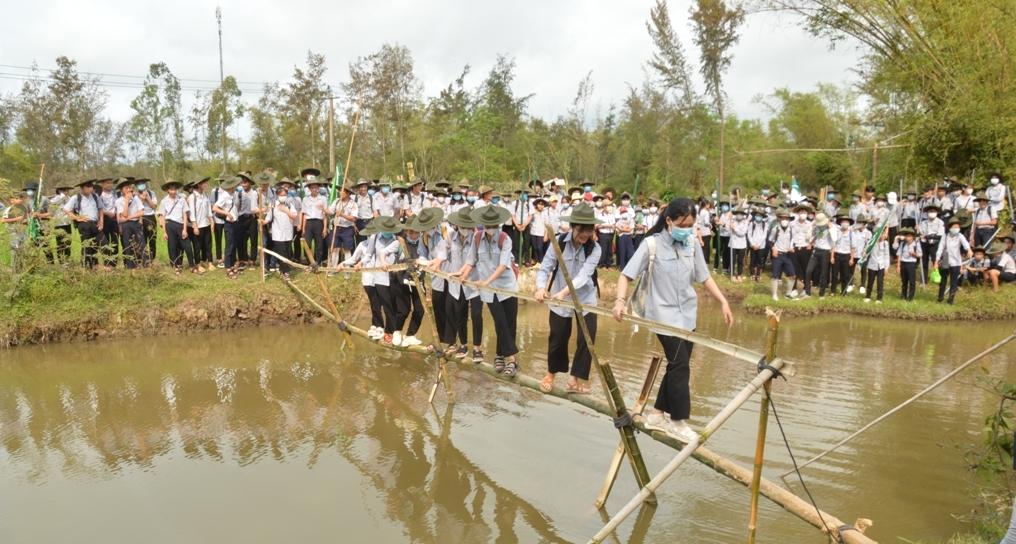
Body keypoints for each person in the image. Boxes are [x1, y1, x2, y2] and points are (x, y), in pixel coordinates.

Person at [613, 197, 734, 443]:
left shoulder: (692, 244)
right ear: (669, 221)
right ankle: (677, 421)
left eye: (691, 225)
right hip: (662, 316)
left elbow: (704, 276)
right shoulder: (651, 245)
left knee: (677, 363)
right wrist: (619, 301)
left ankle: (657, 414)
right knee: (681, 365)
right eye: (683, 224)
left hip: (688, 314)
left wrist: (723, 300)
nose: (687, 229)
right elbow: (626, 275)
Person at [535, 203, 602, 395]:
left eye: (589, 230)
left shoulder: (595, 249)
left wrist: (565, 292)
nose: (585, 235)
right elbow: (546, 267)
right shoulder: (558, 243)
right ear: (573, 226)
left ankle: (574, 380)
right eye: (582, 230)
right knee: (558, 336)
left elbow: (583, 276)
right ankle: (550, 374)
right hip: (558, 296)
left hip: (585, 298)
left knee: (587, 338)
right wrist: (540, 288)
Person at [463, 204, 520, 376]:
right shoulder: (477, 238)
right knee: (499, 321)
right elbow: (470, 260)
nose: (490, 228)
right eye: (487, 225)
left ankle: (500, 355)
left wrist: (487, 281)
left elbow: (503, 265)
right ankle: (512, 359)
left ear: (498, 224)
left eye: (493, 225)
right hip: (488, 289)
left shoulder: (505, 239)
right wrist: (462, 275)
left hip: (507, 286)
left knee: (509, 322)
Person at [434, 206, 480, 360]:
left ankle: (477, 347)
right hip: (455, 282)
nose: (465, 229)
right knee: (458, 313)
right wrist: (438, 261)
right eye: (462, 226)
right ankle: (462, 344)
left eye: (468, 226)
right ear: (457, 225)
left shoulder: (476, 238)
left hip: (473, 281)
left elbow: (475, 260)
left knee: (476, 314)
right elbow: (442, 251)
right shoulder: (451, 236)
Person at [363, 216, 403, 345]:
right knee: (384, 304)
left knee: (392, 305)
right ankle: (381, 328)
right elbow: (369, 254)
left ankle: (390, 331)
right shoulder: (374, 238)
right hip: (379, 277)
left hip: (392, 277)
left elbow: (400, 257)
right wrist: (360, 263)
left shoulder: (396, 240)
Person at [343, 221, 384, 339]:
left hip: (380, 278)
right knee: (374, 303)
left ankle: (377, 325)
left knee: (380, 303)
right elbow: (353, 259)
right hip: (368, 279)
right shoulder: (362, 245)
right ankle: (378, 326)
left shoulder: (380, 245)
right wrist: (343, 263)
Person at [156, 180, 197, 274]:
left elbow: (185, 215)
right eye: (171, 189)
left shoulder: (181, 199)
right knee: (172, 246)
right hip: (169, 225)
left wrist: (185, 229)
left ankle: (192, 265)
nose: (173, 191)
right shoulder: (163, 201)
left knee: (187, 246)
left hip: (180, 224)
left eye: (175, 189)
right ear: (168, 190)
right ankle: (175, 266)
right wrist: (164, 232)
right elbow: (162, 216)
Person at [63, 179, 104, 268]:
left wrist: (101, 221)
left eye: (91, 186)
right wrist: (77, 218)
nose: (90, 188)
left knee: (101, 243)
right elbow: (66, 209)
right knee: (86, 245)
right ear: (82, 188)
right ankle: (86, 266)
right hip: (84, 224)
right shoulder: (76, 197)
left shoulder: (95, 196)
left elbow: (101, 209)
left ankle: (95, 264)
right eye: (88, 186)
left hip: (95, 223)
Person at [934, 217, 973, 304]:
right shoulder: (945, 236)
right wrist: (936, 260)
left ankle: (950, 300)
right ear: (950, 227)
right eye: (954, 226)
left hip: (956, 262)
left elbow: (965, 244)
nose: (956, 228)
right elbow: (940, 248)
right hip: (945, 261)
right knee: (943, 280)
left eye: (958, 227)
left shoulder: (960, 236)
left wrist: (969, 250)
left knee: (953, 282)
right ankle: (940, 298)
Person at [266, 184, 298, 281]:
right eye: (281, 195)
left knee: (288, 253)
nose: (283, 196)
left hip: (288, 233)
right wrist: (263, 221)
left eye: (285, 195)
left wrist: (286, 211)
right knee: (282, 252)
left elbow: (294, 217)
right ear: (277, 195)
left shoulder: (289, 205)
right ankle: (286, 272)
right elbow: (268, 218)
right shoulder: (272, 205)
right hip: (277, 233)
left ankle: (282, 269)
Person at [212, 177, 241, 278]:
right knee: (230, 245)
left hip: (236, 222)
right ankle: (228, 267)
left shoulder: (235, 194)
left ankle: (233, 265)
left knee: (234, 244)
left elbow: (237, 206)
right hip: (229, 223)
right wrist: (226, 213)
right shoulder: (224, 196)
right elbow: (215, 208)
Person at [114, 178, 146, 269]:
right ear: (122, 190)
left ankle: (144, 264)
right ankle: (130, 266)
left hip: (135, 223)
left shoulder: (136, 198)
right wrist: (127, 201)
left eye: (129, 188)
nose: (128, 190)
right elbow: (124, 214)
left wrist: (130, 217)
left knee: (141, 243)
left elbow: (141, 212)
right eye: (126, 188)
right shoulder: (118, 201)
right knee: (127, 245)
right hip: (126, 226)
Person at [768, 209, 797, 301]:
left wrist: (792, 248)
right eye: (783, 218)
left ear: (789, 220)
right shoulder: (775, 229)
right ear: (780, 219)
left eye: (786, 218)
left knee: (792, 275)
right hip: (778, 255)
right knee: (775, 276)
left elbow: (793, 242)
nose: (784, 220)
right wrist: (773, 249)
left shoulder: (792, 230)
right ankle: (774, 294)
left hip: (787, 255)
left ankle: (788, 294)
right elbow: (769, 241)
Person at [188, 178, 215, 273]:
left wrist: (212, 221)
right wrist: (195, 226)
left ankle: (210, 262)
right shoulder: (192, 197)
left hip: (206, 224)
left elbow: (209, 210)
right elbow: (191, 213)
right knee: (197, 246)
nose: (206, 184)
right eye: (204, 183)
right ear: (199, 184)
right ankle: (198, 264)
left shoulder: (205, 195)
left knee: (208, 244)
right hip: (197, 225)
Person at [804, 212, 833, 298]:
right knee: (808, 271)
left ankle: (821, 294)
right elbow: (813, 237)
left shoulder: (831, 228)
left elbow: (835, 239)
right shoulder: (816, 227)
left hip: (825, 251)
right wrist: (810, 243)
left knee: (823, 273)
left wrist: (830, 228)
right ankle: (807, 292)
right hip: (816, 250)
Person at [327, 187, 358, 267]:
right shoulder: (337, 201)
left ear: (348, 193)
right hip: (336, 227)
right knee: (334, 249)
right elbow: (330, 212)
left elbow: (353, 218)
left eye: (342, 191)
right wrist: (323, 209)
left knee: (347, 250)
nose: (340, 192)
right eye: (340, 191)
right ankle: (333, 269)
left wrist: (342, 215)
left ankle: (347, 270)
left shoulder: (353, 204)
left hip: (347, 229)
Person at [301, 180, 328, 265]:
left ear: (318, 188)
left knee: (319, 244)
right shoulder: (305, 199)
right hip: (309, 223)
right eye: (312, 188)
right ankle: (310, 262)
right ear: (309, 189)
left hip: (319, 222)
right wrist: (303, 228)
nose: (314, 189)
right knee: (307, 243)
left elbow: (325, 214)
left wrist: (324, 228)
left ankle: (318, 262)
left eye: (316, 187)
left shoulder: (323, 199)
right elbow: (304, 214)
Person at [789, 203, 813, 296]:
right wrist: (790, 246)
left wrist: (810, 244)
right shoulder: (792, 224)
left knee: (806, 269)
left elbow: (812, 236)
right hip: (794, 248)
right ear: (798, 213)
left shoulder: (810, 224)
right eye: (801, 212)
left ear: (807, 214)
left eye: (805, 212)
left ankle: (806, 289)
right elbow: (790, 236)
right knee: (793, 269)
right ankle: (793, 289)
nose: (803, 214)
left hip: (805, 248)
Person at [918, 204, 945, 283]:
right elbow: (921, 233)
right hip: (925, 244)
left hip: (935, 244)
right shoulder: (923, 223)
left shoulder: (940, 222)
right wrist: (919, 231)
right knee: (924, 261)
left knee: (935, 260)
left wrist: (928, 237)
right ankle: (924, 279)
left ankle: (938, 277)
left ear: (937, 213)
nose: (932, 213)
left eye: (933, 211)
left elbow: (940, 235)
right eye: (930, 211)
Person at [830, 214, 856, 296]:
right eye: (843, 222)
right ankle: (833, 291)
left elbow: (853, 247)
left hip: (846, 255)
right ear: (840, 223)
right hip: (837, 254)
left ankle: (844, 291)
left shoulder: (852, 234)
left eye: (846, 222)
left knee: (845, 275)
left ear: (849, 224)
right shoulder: (837, 232)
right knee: (834, 274)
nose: (845, 223)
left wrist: (852, 259)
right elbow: (833, 245)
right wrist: (832, 256)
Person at [863, 226, 890, 303]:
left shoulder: (885, 243)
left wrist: (886, 267)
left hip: (881, 265)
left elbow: (886, 256)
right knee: (870, 281)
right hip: (872, 264)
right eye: (880, 234)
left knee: (880, 282)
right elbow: (866, 251)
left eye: (883, 234)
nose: (881, 235)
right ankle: (868, 296)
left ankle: (879, 298)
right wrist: (864, 253)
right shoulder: (871, 242)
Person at [135, 178, 158, 263]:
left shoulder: (152, 193)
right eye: (139, 184)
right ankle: (143, 259)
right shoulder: (135, 195)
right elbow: (136, 207)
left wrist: (147, 197)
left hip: (151, 217)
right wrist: (141, 199)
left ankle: (152, 258)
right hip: (140, 218)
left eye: (143, 183)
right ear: (136, 186)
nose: (141, 185)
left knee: (152, 239)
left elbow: (154, 206)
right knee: (141, 239)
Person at [894, 227, 921, 301]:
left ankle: (910, 297)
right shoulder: (903, 244)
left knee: (912, 282)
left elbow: (920, 255)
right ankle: (903, 296)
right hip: (904, 263)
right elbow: (899, 254)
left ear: (912, 237)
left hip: (911, 264)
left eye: (909, 236)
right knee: (904, 281)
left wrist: (914, 254)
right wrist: (898, 266)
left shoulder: (916, 244)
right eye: (906, 236)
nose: (907, 238)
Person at [98, 177, 119, 268]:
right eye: (107, 183)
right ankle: (107, 263)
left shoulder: (115, 194)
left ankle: (114, 263)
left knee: (115, 241)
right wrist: (107, 213)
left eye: (111, 183)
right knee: (105, 241)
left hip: (115, 219)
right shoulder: (99, 195)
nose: (110, 185)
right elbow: (98, 209)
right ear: (102, 184)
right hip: (105, 220)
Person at [49, 185, 73, 264]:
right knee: (60, 243)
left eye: (67, 190)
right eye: (64, 190)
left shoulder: (69, 198)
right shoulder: (55, 199)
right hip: (58, 224)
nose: (66, 192)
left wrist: (65, 198)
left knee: (68, 242)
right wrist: (60, 197)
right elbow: (51, 204)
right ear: (60, 191)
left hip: (67, 223)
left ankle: (67, 260)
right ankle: (61, 261)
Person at [615, 193, 636, 271]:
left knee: (630, 252)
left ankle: (629, 267)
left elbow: (632, 224)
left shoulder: (631, 210)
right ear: (621, 200)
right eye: (624, 199)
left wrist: (629, 231)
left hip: (629, 235)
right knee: (622, 251)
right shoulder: (618, 209)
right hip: (621, 235)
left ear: (630, 201)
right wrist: (621, 230)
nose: (626, 201)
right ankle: (622, 266)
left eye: (627, 199)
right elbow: (617, 223)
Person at [747, 209, 768, 282]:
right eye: (757, 215)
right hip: (753, 246)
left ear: (762, 217)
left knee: (760, 261)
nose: (758, 217)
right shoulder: (751, 224)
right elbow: (749, 234)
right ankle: (752, 274)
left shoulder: (765, 224)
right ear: (755, 216)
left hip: (761, 246)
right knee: (752, 260)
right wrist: (753, 244)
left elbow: (764, 235)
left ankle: (758, 274)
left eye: (760, 216)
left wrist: (758, 244)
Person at [728, 207, 748, 282]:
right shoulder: (732, 220)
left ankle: (739, 274)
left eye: (741, 214)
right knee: (732, 260)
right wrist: (729, 224)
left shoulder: (745, 222)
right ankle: (732, 275)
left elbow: (742, 233)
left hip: (742, 244)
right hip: (733, 243)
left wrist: (735, 228)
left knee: (740, 260)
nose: (739, 215)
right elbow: (727, 229)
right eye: (738, 214)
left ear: (743, 215)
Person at [528, 197, 550, 266]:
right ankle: (535, 261)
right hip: (533, 232)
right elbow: (529, 221)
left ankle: (541, 262)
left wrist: (546, 235)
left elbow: (547, 225)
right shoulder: (533, 212)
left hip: (541, 233)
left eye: (542, 204)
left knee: (540, 248)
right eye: (539, 204)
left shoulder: (545, 213)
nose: (541, 206)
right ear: (536, 205)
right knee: (534, 247)